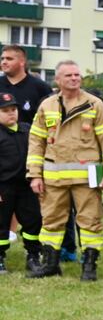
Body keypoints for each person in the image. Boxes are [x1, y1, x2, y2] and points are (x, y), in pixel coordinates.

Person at [26, 60, 103, 281]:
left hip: (87, 177)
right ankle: (50, 264)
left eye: (77, 75)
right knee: (51, 221)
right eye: (68, 75)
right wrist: (34, 174)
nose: (74, 78)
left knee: (90, 221)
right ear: (58, 80)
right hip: (53, 177)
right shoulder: (47, 105)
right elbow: (36, 142)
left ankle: (89, 266)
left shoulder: (94, 104)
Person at [0, 91, 40, 274]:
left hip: (26, 186)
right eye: (5, 110)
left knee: (33, 220)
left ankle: (33, 255)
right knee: (1, 223)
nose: (11, 113)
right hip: (3, 187)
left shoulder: (27, 130)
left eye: (13, 109)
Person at [1, 44, 52, 126]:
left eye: (9, 59)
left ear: (22, 62)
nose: (4, 62)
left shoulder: (41, 88)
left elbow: (49, 118)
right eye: (2, 59)